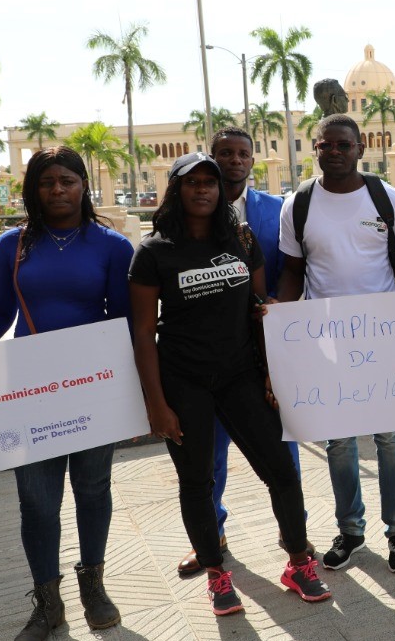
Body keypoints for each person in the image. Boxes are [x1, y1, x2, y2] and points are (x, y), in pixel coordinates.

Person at [0, 147, 134, 641]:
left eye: (67, 181)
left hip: (92, 388)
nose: (58, 190)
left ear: (83, 185)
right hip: (31, 392)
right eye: (47, 183)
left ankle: (93, 583)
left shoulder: (111, 246)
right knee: (37, 502)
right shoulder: (10, 246)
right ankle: (47, 601)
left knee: (92, 489)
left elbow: (126, 320)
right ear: (33, 190)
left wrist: (132, 392)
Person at [130, 152, 329, 615]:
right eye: (192, 182)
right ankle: (218, 575)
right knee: (198, 479)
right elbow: (142, 332)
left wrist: (272, 375)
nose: (202, 189)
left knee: (281, 469)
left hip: (240, 374)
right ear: (176, 190)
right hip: (184, 380)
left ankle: (298, 563)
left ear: (221, 190)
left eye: (210, 182)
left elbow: (260, 310)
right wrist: (156, 403)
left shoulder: (241, 239)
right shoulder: (154, 251)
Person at [276, 114, 395, 575]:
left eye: (344, 144)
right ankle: (351, 530)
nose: (334, 152)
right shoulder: (297, 204)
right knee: (339, 443)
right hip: (326, 339)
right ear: (314, 148)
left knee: (389, 439)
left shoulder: (386, 197)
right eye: (325, 145)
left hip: (382, 336)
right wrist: (277, 318)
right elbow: (294, 272)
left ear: (361, 147)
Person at [174, 126, 312, 576]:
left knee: (281, 446)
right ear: (211, 162)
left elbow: (296, 267)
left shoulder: (278, 211)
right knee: (210, 453)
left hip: (271, 349)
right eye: (225, 154)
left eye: (242, 154)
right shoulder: (184, 222)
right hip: (211, 356)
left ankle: (295, 535)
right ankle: (210, 535)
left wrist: (280, 308)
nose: (234, 161)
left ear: (253, 161)